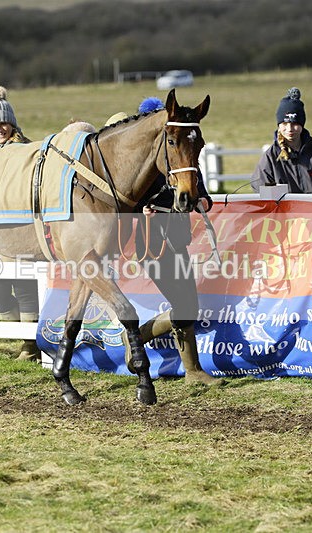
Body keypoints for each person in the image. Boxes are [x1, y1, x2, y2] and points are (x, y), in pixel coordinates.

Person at [129, 97, 219, 385]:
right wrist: (140, 209)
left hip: (178, 238)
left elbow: (197, 188)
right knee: (184, 304)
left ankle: (192, 371)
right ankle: (136, 339)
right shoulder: (142, 162)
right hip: (151, 244)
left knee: (188, 304)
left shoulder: (180, 155)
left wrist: (203, 199)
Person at [0, 85, 40, 362]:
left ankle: (30, 346)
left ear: (12, 123)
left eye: (3, 122)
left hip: (22, 230)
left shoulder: (26, 151)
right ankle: (23, 334)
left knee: (25, 285)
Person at [251, 87, 312, 193]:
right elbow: (261, 190)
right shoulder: (271, 157)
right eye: (284, 124)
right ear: (279, 125)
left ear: (302, 124)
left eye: (294, 124)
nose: (289, 129)